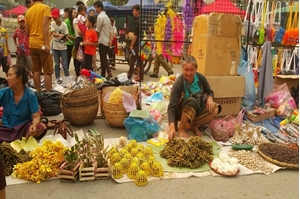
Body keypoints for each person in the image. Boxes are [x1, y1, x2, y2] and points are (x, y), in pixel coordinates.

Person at [167, 56, 221, 140]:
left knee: (216, 108)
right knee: (192, 101)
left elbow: (209, 91)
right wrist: (172, 127)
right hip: (181, 111)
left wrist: (210, 99)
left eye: (191, 70)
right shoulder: (179, 82)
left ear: (196, 69)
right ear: (182, 69)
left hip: (196, 109)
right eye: (186, 70)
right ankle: (181, 128)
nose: (189, 73)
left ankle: (195, 125)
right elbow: (171, 107)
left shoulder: (200, 78)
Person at [0, 65, 47, 142]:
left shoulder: (30, 95)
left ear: (19, 78)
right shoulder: (4, 92)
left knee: (39, 127)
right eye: (7, 75)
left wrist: (34, 125)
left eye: (10, 75)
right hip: (6, 127)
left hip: (23, 127)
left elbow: (36, 116)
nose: (7, 78)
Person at [25, 0, 53, 91]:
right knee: (47, 71)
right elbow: (45, 25)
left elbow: (27, 32)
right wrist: (47, 44)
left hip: (32, 43)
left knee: (36, 70)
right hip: (42, 44)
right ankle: (48, 95)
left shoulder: (28, 11)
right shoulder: (45, 8)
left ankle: (38, 93)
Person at [94, 0, 113, 78]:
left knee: (103, 59)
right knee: (104, 57)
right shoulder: (107, 17)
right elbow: (110, 30)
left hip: (102, 41)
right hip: (107, 41)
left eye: (96, 8)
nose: (95, 9)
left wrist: (95, 40)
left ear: (100, 7)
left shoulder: (100, 17)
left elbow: (98, 30)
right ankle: (109, 72)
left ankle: (103, 75)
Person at [50, 8, 69, 81]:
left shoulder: (64, 25)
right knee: (57, 64)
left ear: (59, 16)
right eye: (53, 18)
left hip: (63, 47)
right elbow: (53, 34)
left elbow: (66, 36)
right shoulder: (53, 23)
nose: (54, 19)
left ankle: (67, 78)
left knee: (65, 65)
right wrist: (59, 35)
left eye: (56, 17)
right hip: (55, 47)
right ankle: (58, 79)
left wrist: (64, 38)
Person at [128, 4, 143, 81]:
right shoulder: (141, 20)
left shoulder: (137, 21)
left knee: (132, 59)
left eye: (134, 10)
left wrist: (131, 45)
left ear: (138, 11)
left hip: (136, 45)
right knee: (140, 60)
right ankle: (140, 77)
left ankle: (129, 76)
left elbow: (135, 35)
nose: (133, 12)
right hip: (141, 44)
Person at [73, 5, 85, 81]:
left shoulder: (79, 19)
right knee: (79, 58)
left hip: (81, 39)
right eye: (84, 11)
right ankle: (78, 74)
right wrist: (84, 36)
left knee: (82, 58)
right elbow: (78, 31)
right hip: (79, 39)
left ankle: (82, 73)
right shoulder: (76, 20)